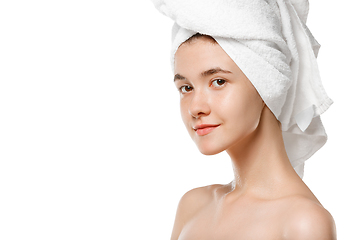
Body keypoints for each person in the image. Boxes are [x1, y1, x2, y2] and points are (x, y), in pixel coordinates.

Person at [151, 0, 336, 239]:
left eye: (218, 81)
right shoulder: (193, 206)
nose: (195, 107)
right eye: (186, 87)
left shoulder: (303, 222)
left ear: (267, 83)